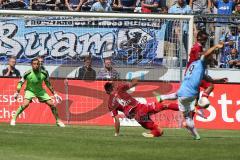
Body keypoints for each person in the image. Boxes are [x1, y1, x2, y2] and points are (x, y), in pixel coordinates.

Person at [177, 42, 224, 140]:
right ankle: (201, 103)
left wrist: (218, 80)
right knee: (208, 87)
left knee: (191, 105)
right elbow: (204, 55)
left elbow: (206, 77)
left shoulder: (199, 64)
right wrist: (215, 46)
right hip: (191, 82)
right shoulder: (200, 60)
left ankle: (188, 121)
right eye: (211, 58)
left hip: (189, 81)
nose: (212, 60)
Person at [104, 79, 179, 138]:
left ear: (107, 92)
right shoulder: (119, 88)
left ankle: (154, 132)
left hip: (137, 117)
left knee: (158, 130)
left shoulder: (110, 103)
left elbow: (117, 120)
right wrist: (131, 81)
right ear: (112, 87)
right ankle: (182, 108)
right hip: (142, 108)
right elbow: (135, 82)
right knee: (164, 106)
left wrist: (116, 133)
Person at [10, 58, 65, 127]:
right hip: (30, 91)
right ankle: (13, 119)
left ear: (39, 65)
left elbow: (48, 84)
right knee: (25, 104)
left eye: (37, 64)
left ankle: (58, 121)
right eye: (34, 64)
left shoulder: (44, 73)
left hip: (40, 91)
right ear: (31, 65)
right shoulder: (28, 73)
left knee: (52, 104)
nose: (36, 65)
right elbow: (20, 82)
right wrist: (17, 92)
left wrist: (55, 94)